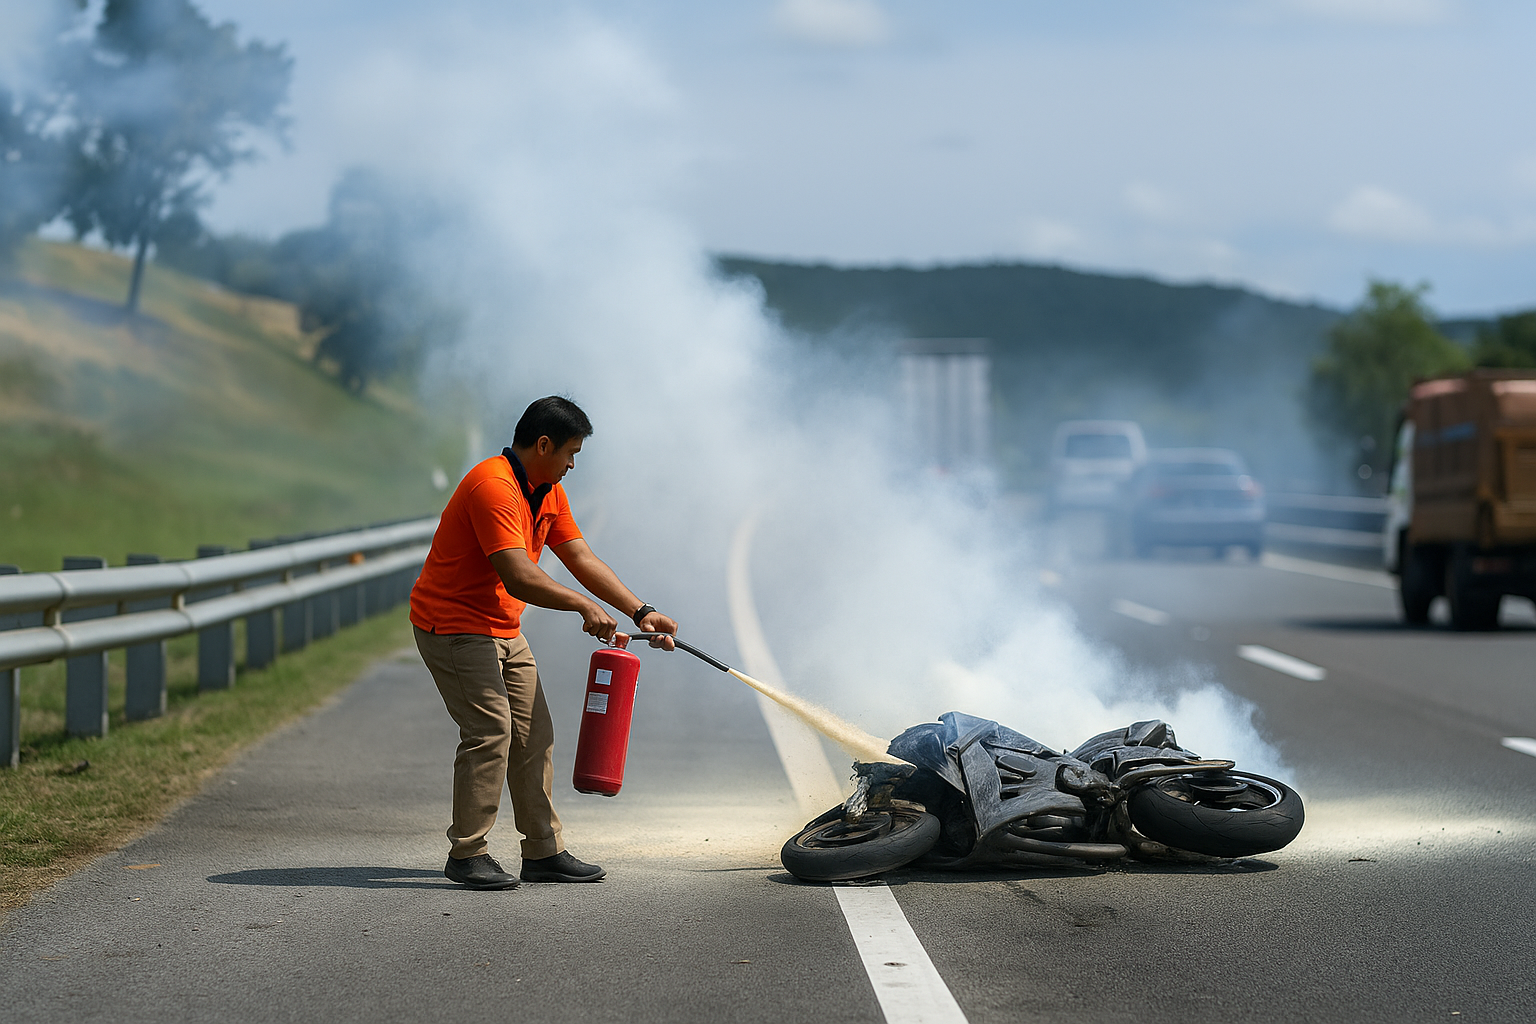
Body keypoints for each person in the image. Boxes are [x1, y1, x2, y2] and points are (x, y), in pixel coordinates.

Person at [409, 396, 678, 891]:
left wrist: (640, 611)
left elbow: (580, 557)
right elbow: (517, 574)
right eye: (571, 453)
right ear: (543, 445)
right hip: (453, 625)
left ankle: (543, 852)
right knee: (491, 731)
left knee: (535, 735)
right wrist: (582, 606)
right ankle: (467, 853)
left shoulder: (548, 490)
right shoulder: (493, 485)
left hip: (502, 627)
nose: (573, 464)